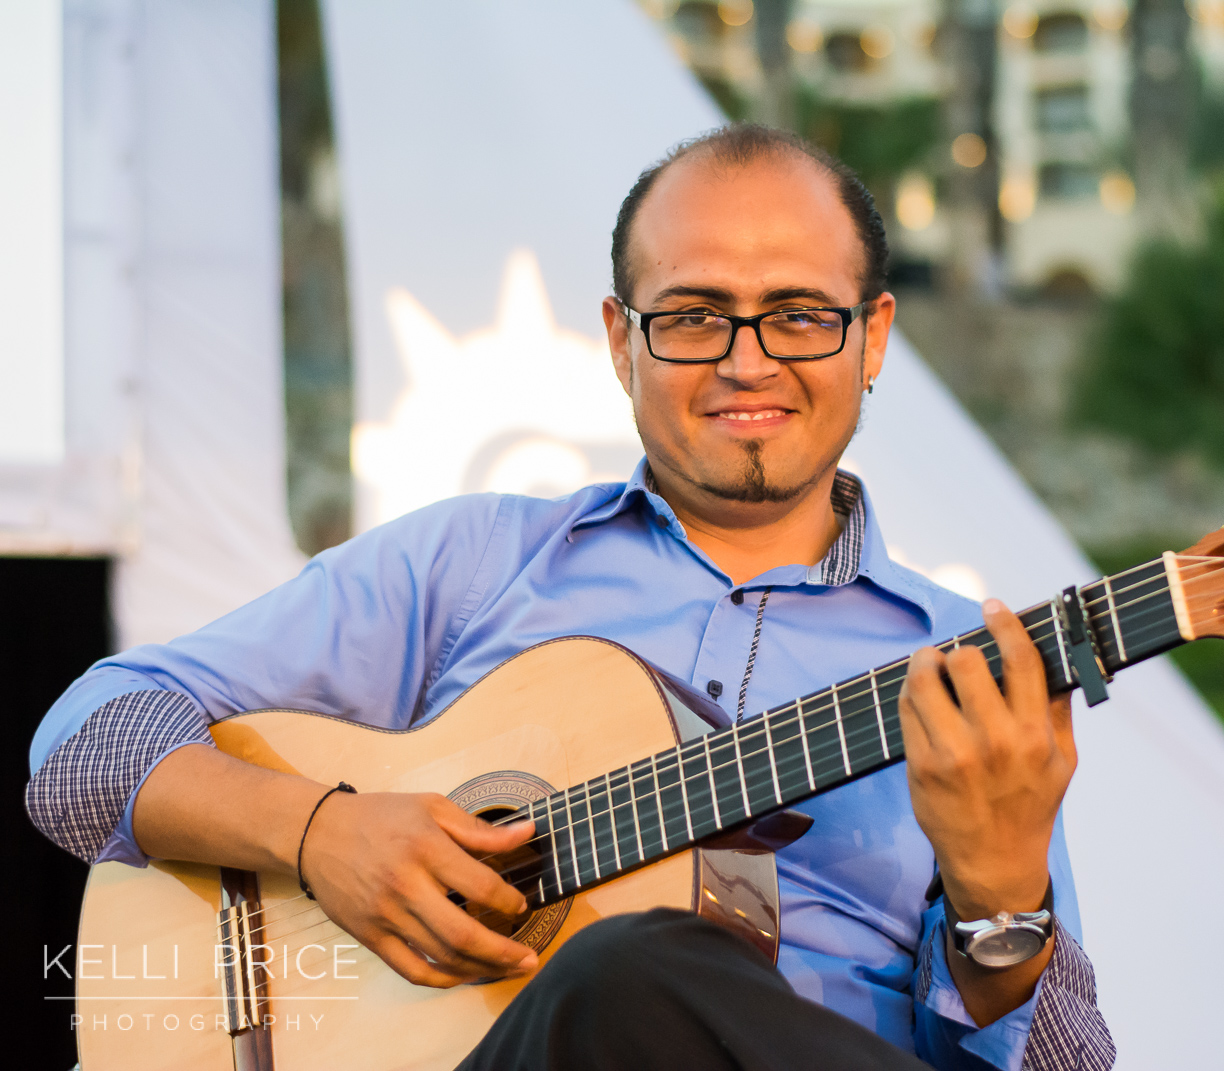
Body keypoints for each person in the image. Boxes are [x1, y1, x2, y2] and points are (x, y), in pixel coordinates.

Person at [28, 124, 1114, 1070]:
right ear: (617, 339)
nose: (746, 360)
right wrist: (324, 834)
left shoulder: (975, 669)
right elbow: (81, 751)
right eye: (693, 316)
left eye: (797, 315)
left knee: (636, 974)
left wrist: (1000, 893)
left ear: (872, 338)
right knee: (625, 973)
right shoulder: (474, 564)